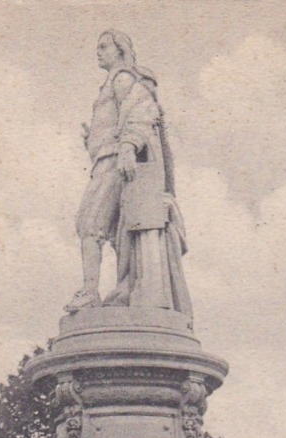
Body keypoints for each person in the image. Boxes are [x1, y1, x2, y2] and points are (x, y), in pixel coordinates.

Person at [66, 31, 192, 318]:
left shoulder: (122, 79)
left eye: (103, 47)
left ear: (120, 50)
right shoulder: (110, 83)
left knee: (90, 224)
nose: (97, 52)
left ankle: (89, 293)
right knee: (115, 232)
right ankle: (123, 287)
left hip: (113, 162)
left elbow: (143, 110)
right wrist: (93, 138)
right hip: (104, 160)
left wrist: (127, 146)